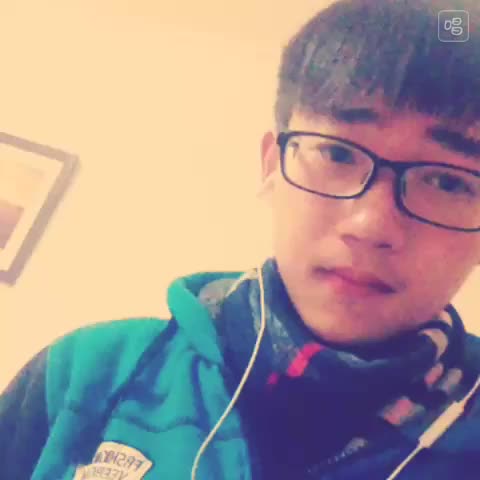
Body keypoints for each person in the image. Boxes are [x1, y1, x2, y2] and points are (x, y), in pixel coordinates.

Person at [2, 0, 480, 478]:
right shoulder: (88, 375)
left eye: (447, 182)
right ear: (272, 165)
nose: (371, 225)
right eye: (337, 154)